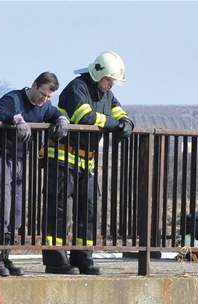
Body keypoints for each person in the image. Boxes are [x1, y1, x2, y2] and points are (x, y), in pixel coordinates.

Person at [42, 51, 133, 276]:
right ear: (98, 73)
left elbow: (123, 115)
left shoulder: (107, 95)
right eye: (108, 80)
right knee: (60, 211)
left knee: (89, 210)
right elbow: (86, 118)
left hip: (86, 162)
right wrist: (114, 124)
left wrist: (127, 124)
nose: (110, 85)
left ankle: (83, 257)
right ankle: (56, 259)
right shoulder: (77, 88)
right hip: (62, 158)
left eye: (113, 81)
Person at [0, 72, 68, 277]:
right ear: (34, 85)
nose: (44, 99)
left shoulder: (45, 106)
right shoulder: (14, 99)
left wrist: (62, 119)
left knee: (15, 213)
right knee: (2, 208)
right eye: (43, 94)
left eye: (48, 97)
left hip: (19, 162)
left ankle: (5, 256)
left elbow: (53, 113)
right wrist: (14, 118)